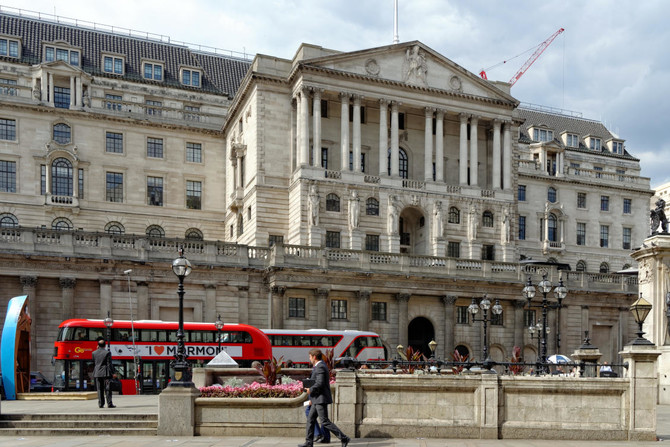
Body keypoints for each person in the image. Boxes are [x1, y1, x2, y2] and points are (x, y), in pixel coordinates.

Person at [299, 348, 350, 447]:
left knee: (325, 421)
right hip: (317, 399)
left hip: (320, 399)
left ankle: (344, 438)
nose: (309, 359)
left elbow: (320, 383)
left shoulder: (321, 366)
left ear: (314, 357)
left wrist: (310, 390)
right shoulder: (319, 366)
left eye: (310, 357)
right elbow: (317, 381)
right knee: (310, 419)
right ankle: (308, 443)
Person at [92, 339, 115, 408]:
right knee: (107, 388)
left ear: (98, 345)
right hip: (106, 373)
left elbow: (94, 362)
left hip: (97, 372)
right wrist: (113, 372)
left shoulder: (94, 353)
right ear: (105, 345)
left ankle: (101, 404)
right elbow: (109, 364)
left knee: (99, 389)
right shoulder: (107, 353)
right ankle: (109, 403)